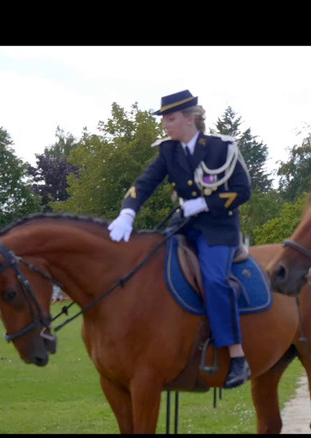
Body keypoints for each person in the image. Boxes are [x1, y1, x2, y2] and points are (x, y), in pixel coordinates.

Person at [107, 89, 252, 389]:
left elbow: (243, 190)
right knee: (150, 268)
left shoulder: (221, 148)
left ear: (191, 118)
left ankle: (237, 356)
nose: (165, 125)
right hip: (183, 226)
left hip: (218, 228)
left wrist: (205, 204)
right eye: (164, 119)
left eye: (170, 118)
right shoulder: (168, 151)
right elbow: (143, 184)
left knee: (214, 280)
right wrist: (127, 213)